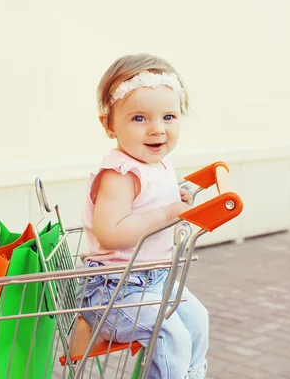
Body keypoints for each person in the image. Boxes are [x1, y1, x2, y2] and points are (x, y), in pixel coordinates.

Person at [76, 53, 209, 379]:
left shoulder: (158, 164)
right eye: (139, 118)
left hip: (155, 279)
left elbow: (150, 200)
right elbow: (112, 232)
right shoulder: (119, 174)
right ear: (109, 124)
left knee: (196, 319)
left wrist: (178, 195)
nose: (156, 130)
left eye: (168, 117)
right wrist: (166, 212)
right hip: (114, 291)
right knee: (170, 333)